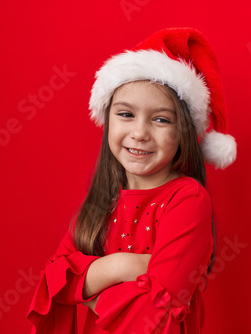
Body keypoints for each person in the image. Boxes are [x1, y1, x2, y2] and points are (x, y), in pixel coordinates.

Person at [27, 27, 237, 334]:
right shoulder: (103, 200)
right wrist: (124, 266)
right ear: (108, 118)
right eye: (126, 114)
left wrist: (88, 287)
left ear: (183, 133)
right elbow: (54, 283)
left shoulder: (188, 200)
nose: (139, 133)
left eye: (161, 119)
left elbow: (154, 315)